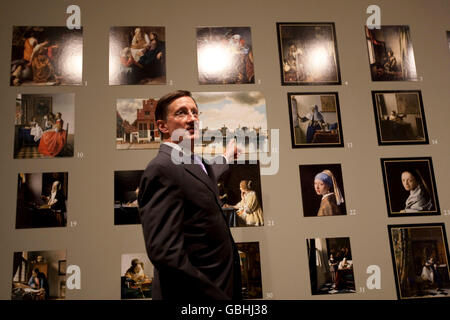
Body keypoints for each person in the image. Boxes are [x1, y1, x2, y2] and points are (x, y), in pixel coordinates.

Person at [138, 90, 242, 300]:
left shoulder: (193, 161)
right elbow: (165, 253)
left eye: (195, 112)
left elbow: (207, 177)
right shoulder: (161, 168)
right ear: (162, 126)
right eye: (181, 113)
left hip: (219, 284)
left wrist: (227, 156)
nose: (192, 118)